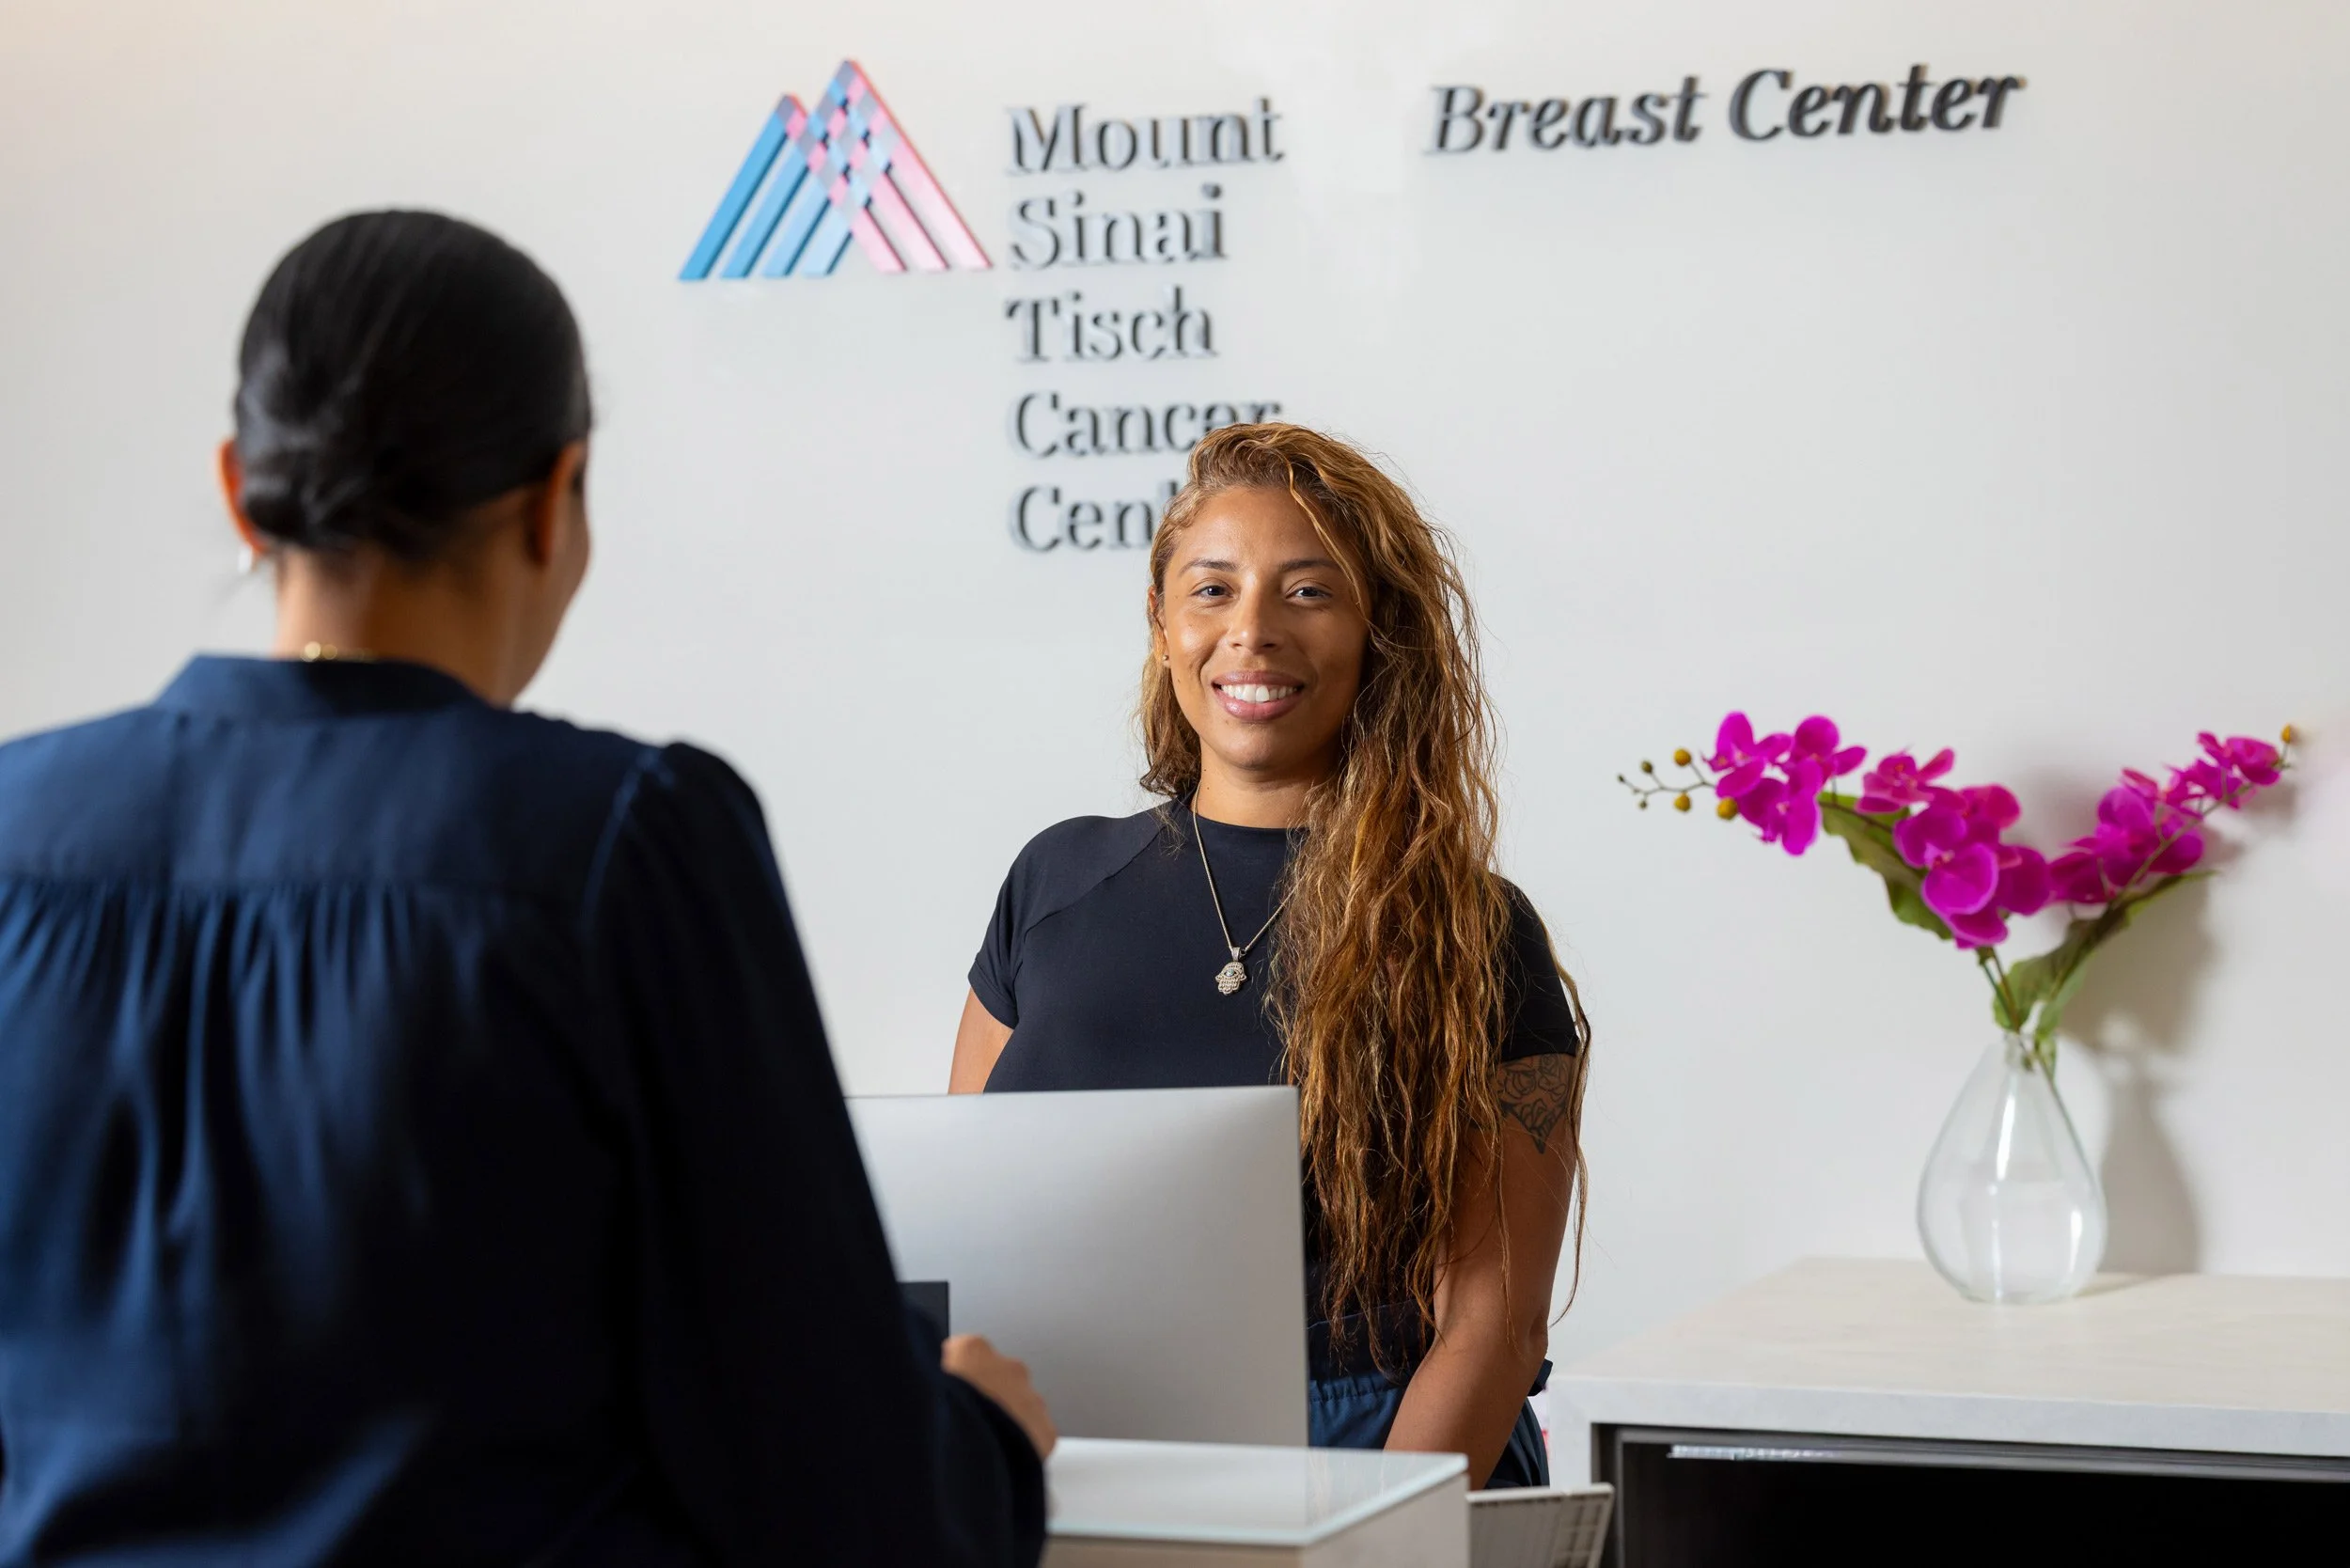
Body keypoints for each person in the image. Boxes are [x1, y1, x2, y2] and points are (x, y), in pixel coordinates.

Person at [0, 211, 1052, 1566]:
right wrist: (980, 1441)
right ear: (557, 500)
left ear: (237, 487)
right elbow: (835, 1484)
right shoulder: (627, 840)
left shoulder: (18, 832)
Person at [948, 424, 1588, 1490]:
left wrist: (1368, 1545)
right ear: (1160, 625)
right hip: (1072, 1434)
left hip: (1367, 1452)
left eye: (1306, 592)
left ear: (1376, 632)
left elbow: (1495, 1324)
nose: (1249, 632)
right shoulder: (1050, 883)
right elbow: (972, 1232)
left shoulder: (1471, 930)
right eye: (1211, 590)